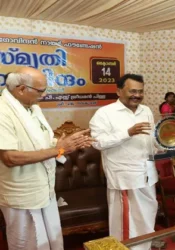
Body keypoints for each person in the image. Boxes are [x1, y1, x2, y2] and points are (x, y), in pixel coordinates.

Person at [0, 67, 93, 250]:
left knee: (51, 239)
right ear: (21, 89)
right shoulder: (3, 112)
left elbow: (45, 142)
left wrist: (67, 143)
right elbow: (10, 157)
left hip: (44, 189)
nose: (44, 95)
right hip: (22, 195)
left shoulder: (33, 108)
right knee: (27, 243)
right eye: (41, 90)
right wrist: (59, 149)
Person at [89, 74, 158, 250]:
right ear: (119, 91)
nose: (137, 95)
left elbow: (150, 141)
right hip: (124, 177)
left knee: (148, 215)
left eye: (141, 91)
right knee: (126, 222)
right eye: (132, 91)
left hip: (148, 174)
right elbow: (98, 143)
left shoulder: (146, 111)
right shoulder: (105, 113)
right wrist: (127, 133)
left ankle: (145, 246)